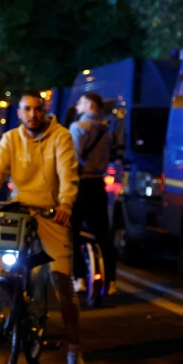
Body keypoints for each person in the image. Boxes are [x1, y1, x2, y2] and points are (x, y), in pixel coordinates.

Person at [0, 91, 86, 364]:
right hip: (19, 211)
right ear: (19, 113)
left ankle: (74, 348)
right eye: (27, 110)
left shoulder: (60, 137)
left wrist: (66, 204)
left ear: (44, 110)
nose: (33, 114)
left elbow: (68, 174)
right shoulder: (10, 139)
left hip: (50, 213)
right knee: (2, 264)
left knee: (61, 279)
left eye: (37, 109)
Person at [69, 92, 116, 295]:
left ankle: (79, 277)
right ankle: (111, 282)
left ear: (89, 106)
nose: (77, 106)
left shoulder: (79, 128)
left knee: (71, 231)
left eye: (80, 102)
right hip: (99, 184)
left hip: (81, 185)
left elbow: (72, 159)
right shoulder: (107, 131)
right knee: (103, 233)